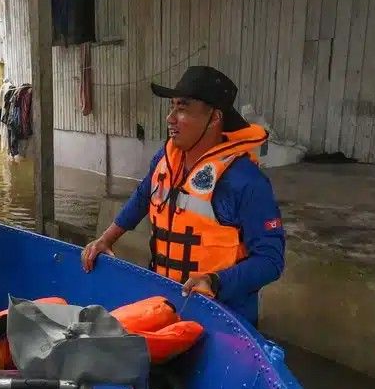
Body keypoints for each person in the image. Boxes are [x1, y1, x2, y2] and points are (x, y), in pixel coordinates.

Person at [81, 66, 286, 326]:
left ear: (214, 118)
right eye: (172, 107)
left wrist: (214, 281)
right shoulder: (165, 159)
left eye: (182, 108)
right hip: (167, 304)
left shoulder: (246, 181)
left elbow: (270, 261)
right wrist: (106, 239)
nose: (170, 118)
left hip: (222, 317)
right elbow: (144, 196)